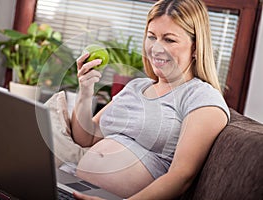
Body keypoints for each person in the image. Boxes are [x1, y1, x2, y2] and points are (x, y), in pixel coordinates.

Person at [70, 0, 230, 199]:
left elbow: (181, 176)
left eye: (169, 40)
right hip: (76, 187)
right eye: (152, 37)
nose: (156, 48)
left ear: (196, 47)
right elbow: (87, 137)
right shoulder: (137, 86)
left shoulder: (201, 97)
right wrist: (85, 91)